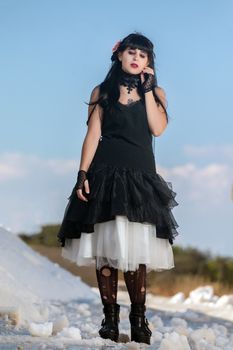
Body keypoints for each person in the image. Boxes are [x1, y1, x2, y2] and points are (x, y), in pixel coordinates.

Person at [57, 32, 179, 345]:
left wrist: (149, 91)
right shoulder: (103, 91)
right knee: (107, 251)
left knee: (137, 251)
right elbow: (92, 135)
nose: (136, 58)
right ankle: (109, 320)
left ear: (149, 62)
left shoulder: (158, 92)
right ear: (120, 56)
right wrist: (82, 173)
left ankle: (139, 320)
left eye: (143, 54)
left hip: (140, 178)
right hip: (105, 175)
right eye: (131, 52)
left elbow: (158, 129)